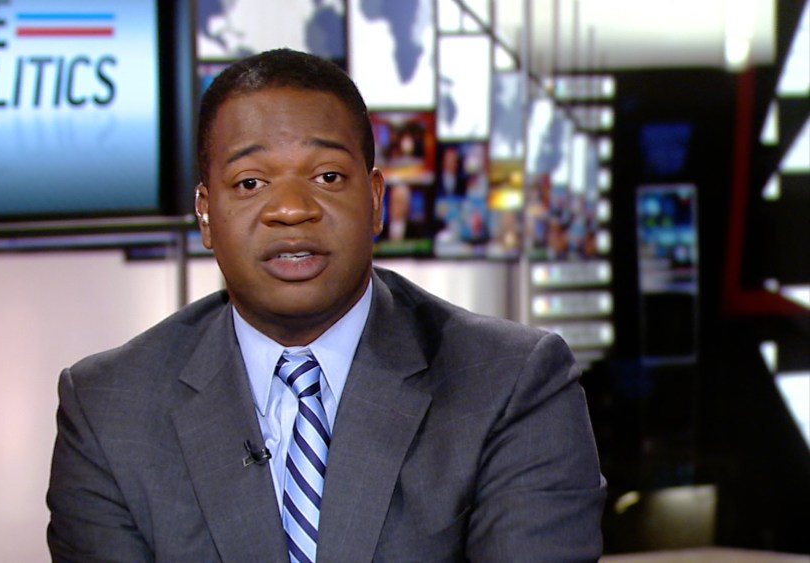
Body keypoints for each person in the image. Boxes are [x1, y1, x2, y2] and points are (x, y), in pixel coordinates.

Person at [47, 48, 605, 562]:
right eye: (250, 183)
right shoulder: (108, 411)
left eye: (328, 176)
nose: (291, 209)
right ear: (205, 213)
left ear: (376, 200)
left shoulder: (510, 383)